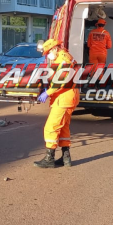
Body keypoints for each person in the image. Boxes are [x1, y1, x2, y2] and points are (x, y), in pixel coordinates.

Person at [34, 39, 80, 168]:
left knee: (51, 128)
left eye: (49, 52)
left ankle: (49, 159)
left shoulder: (63, 59)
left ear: (55, 48)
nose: (48, 55)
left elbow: (61, 82)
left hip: (64, 98)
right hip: (67, 97)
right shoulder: (63, 57)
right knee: (63, 128)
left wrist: (47, 93)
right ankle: (66, 158)